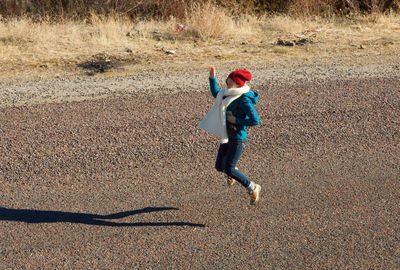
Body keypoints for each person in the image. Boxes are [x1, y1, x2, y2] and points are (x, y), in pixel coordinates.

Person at [198, 66, 261, 205]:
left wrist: (236, 120)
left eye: (230, 82)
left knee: (229, 168)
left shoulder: (243, 100)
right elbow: (216, 93)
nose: (227, 84)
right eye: (227, 81)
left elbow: (255, 120)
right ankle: (232, 172)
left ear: (238, 84)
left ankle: (252, 187)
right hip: (226, 136)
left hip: (237, 138)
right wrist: (212, 77)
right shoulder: (226, 94)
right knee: (220, 167)